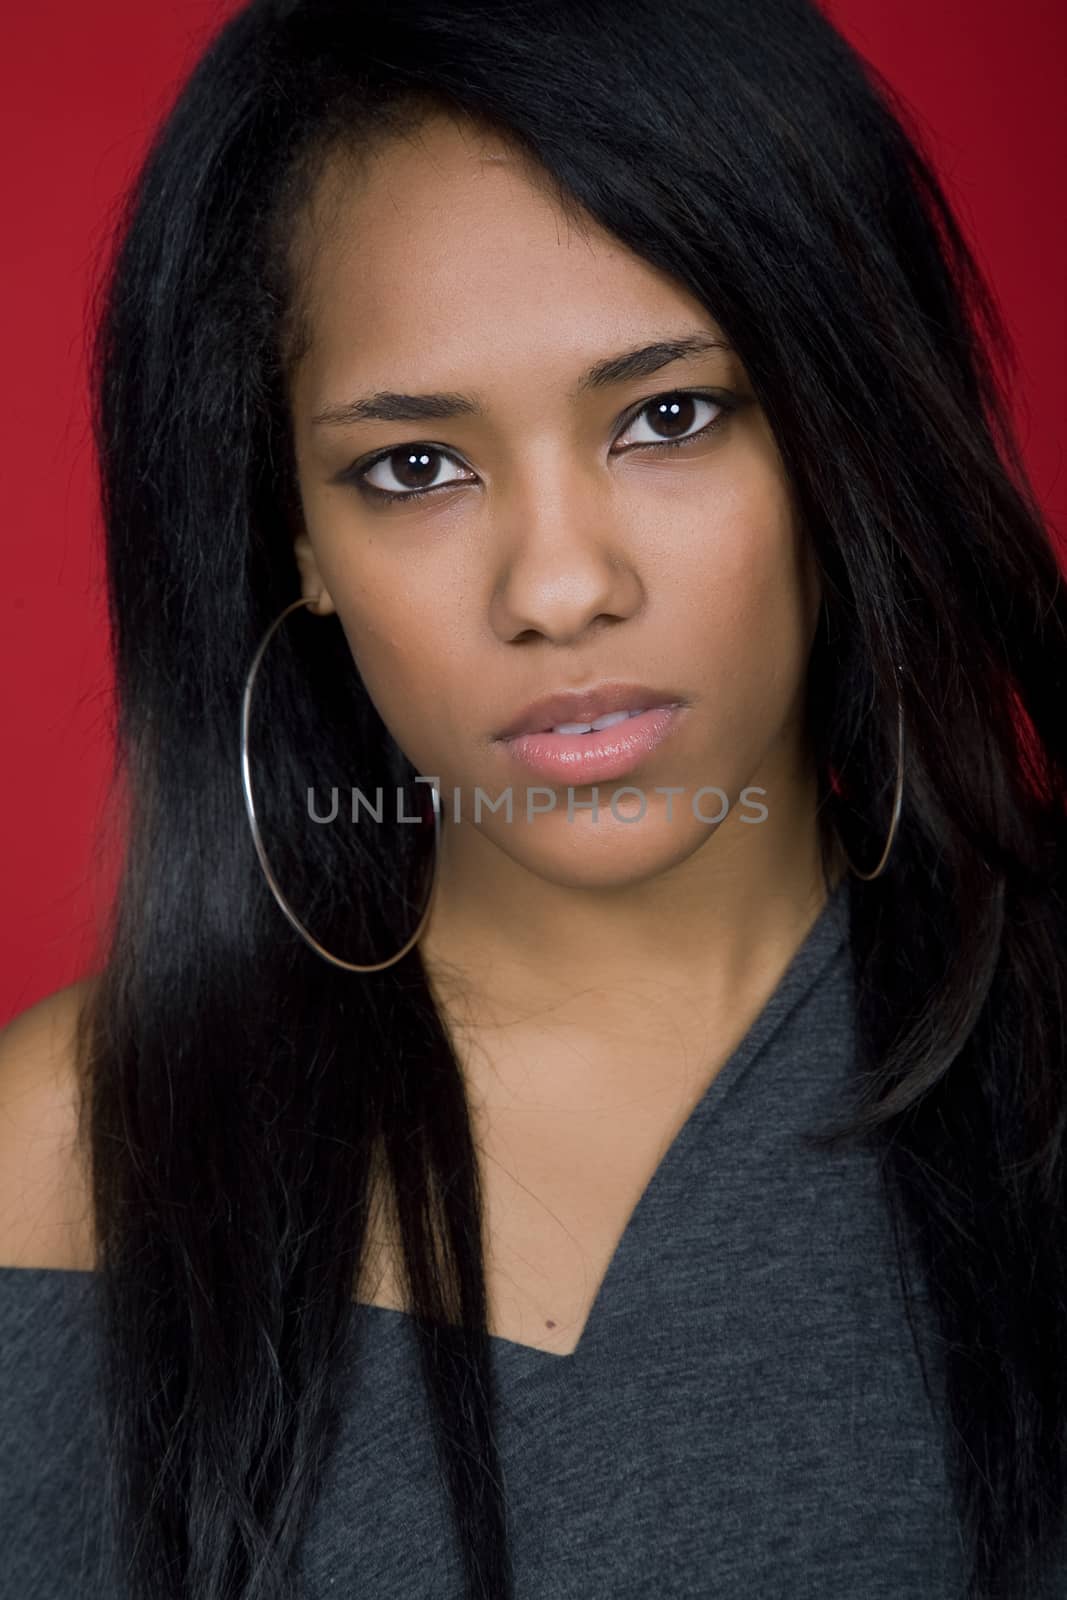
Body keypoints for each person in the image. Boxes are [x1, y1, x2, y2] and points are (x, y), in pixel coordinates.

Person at [1, 0, 1064, 1596]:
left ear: (840, 436)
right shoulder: (68, 1152)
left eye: (670, 416)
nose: (560, 588)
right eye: (416, 467)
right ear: (294, 532)